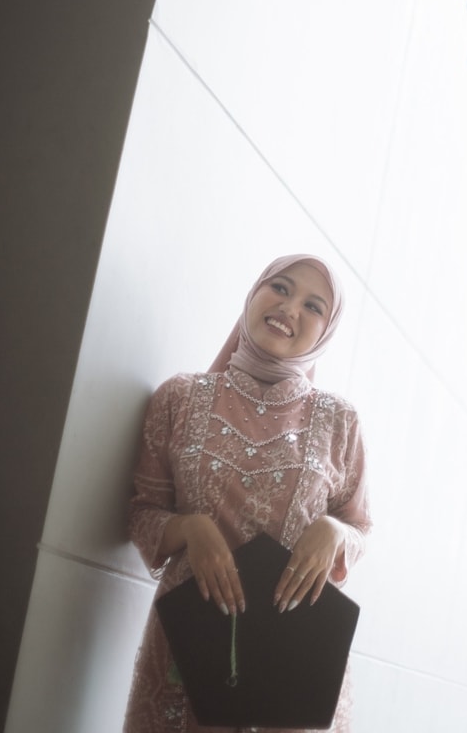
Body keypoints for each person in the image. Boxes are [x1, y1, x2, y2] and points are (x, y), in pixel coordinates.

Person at [123, 254, 371, 733]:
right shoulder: (180, 397)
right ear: (254, 293)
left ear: (327, 330)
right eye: (280, 287)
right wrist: (191, 529)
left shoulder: (340, 421)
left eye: (313, 306)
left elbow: (359, 527)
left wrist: (334, 531)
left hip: (293, 659)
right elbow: (142, 514)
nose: (289, 308)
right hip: (187, 649)